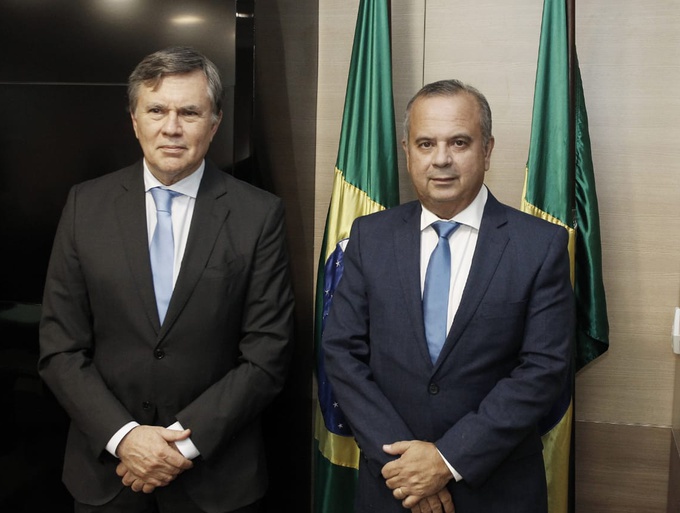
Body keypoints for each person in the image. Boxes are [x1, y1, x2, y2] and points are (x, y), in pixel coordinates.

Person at [38, 46, 294, 513]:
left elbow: (267, 354)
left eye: (189, 112)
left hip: (216, 479)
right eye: (156, 110)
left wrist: (179, 446)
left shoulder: (259, 215)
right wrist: (125, 438)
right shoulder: (84, 206)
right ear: (135, 120)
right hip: (107, 475)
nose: (171, 127)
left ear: (214, 123)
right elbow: (60, 348)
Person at [321, 79, 574, 513]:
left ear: (487, 150)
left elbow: (544, 370)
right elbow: (342, 353)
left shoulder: (540, 246)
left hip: (497, 490)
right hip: (392, 486)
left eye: (459, 142)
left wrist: (446, 460)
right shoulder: (369, 237)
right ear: (407, 151)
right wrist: (405, 467)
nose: (441, 159)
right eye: (426, 144)